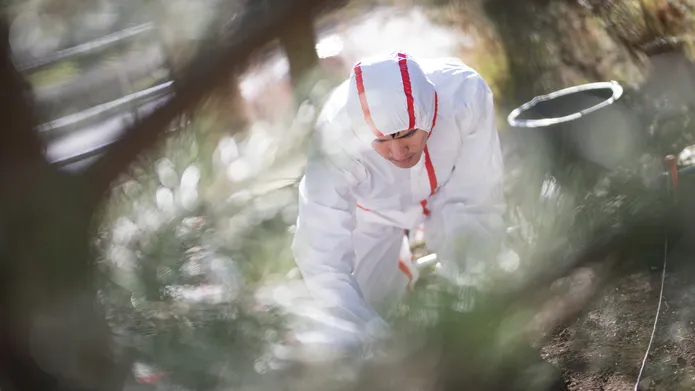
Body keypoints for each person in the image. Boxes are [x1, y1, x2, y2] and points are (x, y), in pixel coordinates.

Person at [290, 51, 506, 345]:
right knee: (365, 315)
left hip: (448, 193)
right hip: (371, 214)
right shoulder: (333, 138)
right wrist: (372, 342)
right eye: (381, 141)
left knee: (484, 292)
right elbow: (321, 258)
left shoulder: (464, 94)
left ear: (429, 111)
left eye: (407, 135)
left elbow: (477, 194)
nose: (398, 152)